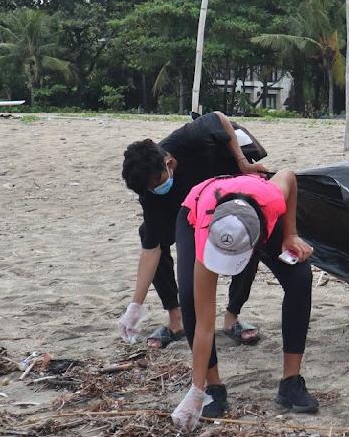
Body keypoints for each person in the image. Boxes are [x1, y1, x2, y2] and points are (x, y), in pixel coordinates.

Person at [171, 171, 318, 431]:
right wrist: (195, 389)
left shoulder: (272, 199)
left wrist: (290, 233)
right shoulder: (208, 232)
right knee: (192, 304)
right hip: (199, 210)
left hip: (252, 213)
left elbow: (289, 177)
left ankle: (291, 382)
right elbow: (206, 324)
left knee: (300, 278)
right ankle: (212, 387)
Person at [118, 112, 267, 349]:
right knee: (148, 232)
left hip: (223, 187)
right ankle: (176, 320)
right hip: (184, 204)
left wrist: (242, 162)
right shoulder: (150, 191)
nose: (154, 190)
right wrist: (135, 306)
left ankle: (232, 317)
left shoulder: (187, 139)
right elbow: (151, 250)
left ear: (168, 164)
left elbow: (219, 118)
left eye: (156, 184)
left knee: (248, 228)